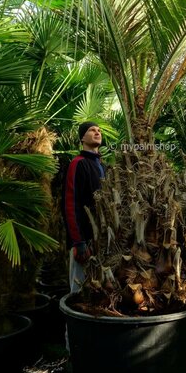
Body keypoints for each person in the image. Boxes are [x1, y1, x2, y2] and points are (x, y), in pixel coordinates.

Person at [63, 121, 105, 293]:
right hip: (84, 241)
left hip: (102, 240)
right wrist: (78, 242)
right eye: (91, 130)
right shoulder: (78, 163)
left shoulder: (102, 166)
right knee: (80, 292)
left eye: (99, 130)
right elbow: (71, 204)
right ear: (82, 137)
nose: (97, 132)